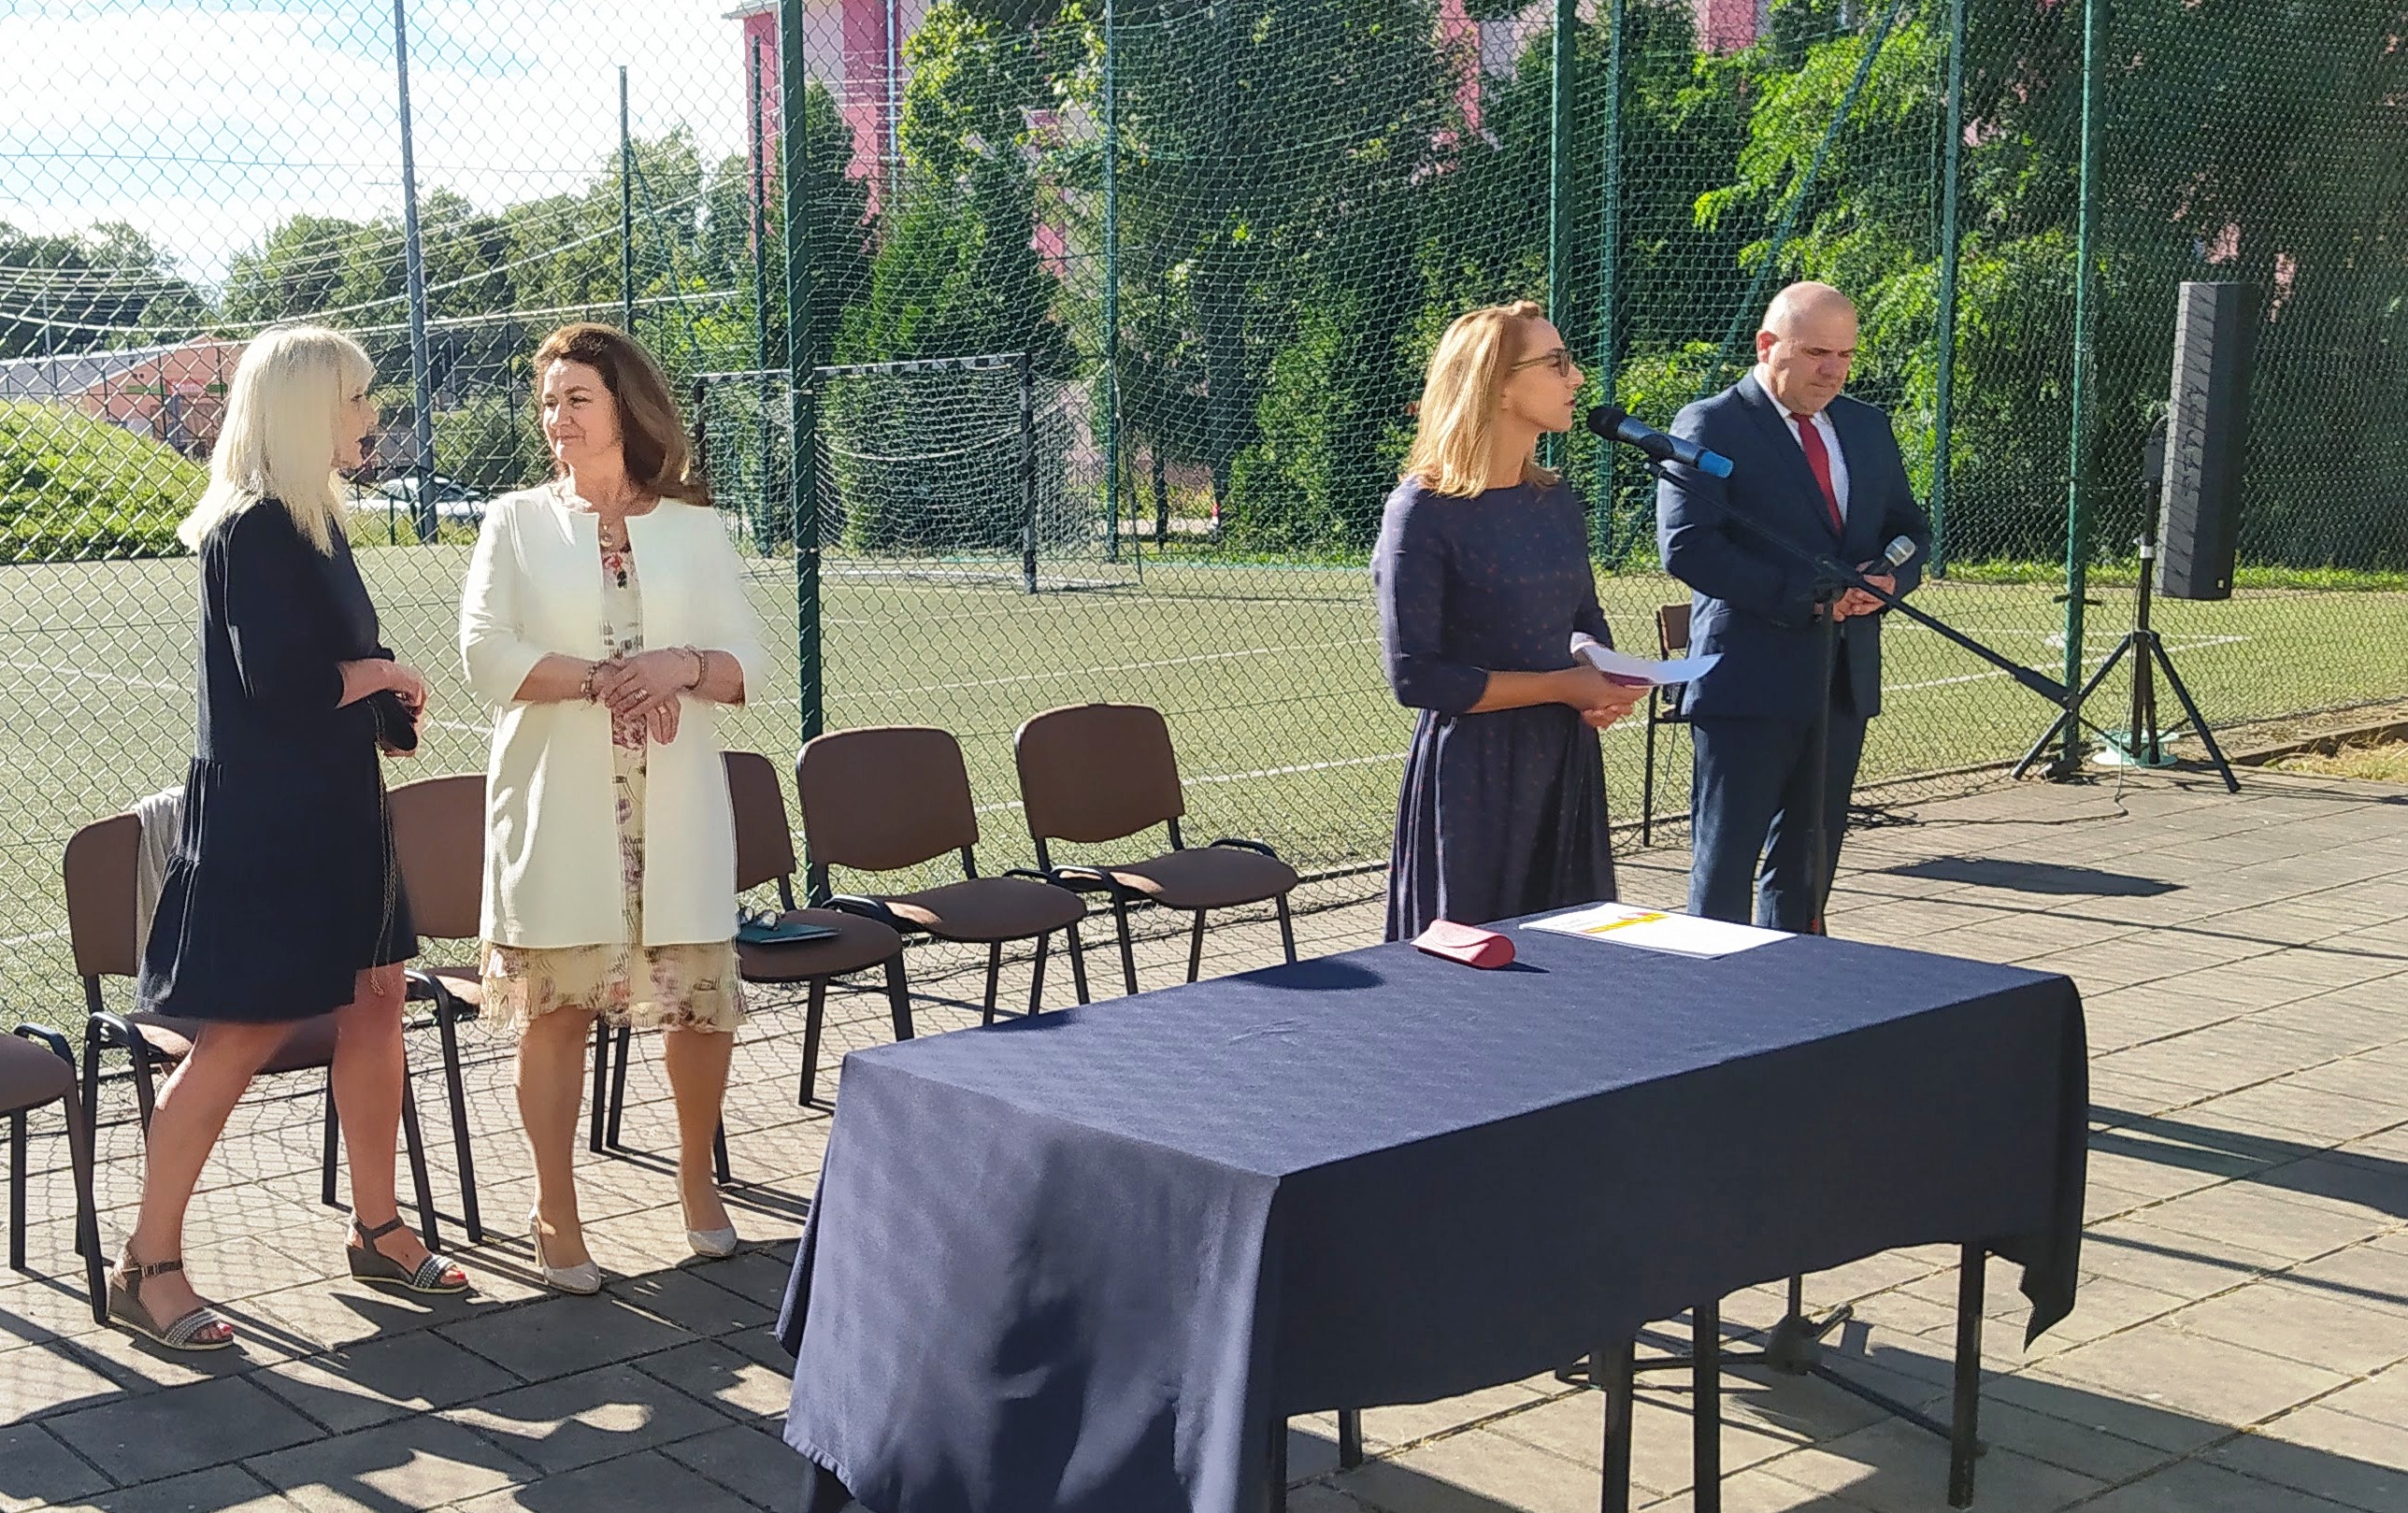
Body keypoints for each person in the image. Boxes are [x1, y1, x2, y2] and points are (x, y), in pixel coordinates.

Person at [124, 325, 467, 1352]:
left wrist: (386, 698)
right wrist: (378, 677)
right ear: (305, 408)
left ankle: (377, 1227)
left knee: (378, 998)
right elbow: (275, 683)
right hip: (265, 825)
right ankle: (147, 1265)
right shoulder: (252, 528)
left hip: (338, 807)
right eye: (356, 398)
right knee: (239, 1033)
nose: (371, 416)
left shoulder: (314, 518)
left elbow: (338, 658)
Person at [460, 322, 766, 1292]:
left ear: (625, 406)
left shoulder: (693, 526)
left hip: (674, 800)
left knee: (700, 1008)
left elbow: (747, 664)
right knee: (559, 1010)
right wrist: (604, 681)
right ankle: (555, 1209)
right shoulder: (514, 522)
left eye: (576, 398)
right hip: (560, 802)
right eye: (548, 401)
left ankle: (696, 1180)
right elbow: (485, 655)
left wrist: (681, 665)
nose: (557, 417)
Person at [1655, 281, 1932, 933]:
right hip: (1746, 680)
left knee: (1807, 870)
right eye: (1815, 353)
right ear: (1766, 345)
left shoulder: (1865, 426)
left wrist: (1888, 582)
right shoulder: (1712, 424)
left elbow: (1911, 531)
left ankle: (1797, 980)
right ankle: (1712, 988)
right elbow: (1689, 546)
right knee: (1725, 868)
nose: (1833, 370)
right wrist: (1807, 597)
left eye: (1845, 355)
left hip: (1841, 681)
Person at [1373, 300, 1645, 941]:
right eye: (1556, 363)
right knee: (1476, 970)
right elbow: (1418, 677)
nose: (1576, 377)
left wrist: (1601, 674)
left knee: (1575, 959)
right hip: (1475, 777)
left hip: (1563, 759)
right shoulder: (1422, 510)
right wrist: (1564, 685)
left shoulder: (1554, 499)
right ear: (1496, 385)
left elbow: (1583, 617)